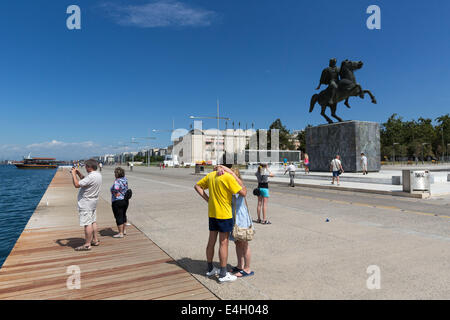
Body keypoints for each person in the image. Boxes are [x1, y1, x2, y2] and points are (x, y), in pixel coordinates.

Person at [194, 164, 247, 283]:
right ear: (228, 168)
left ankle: (210, 268)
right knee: (224, 243)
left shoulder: (211, 175)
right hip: (224, 214)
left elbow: (197, 186)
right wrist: (233, 175)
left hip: (212, 213)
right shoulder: (228, 177)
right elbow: (243, 192)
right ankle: (223, 274)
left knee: (211, 241)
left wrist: (208, 200)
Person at [71, 159, 102, 251]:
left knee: (87, 224)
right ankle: (95, 240)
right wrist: (78, 173)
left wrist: (73, 174)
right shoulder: (98, 175)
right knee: (93, 221)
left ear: (89, 167)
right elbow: (85, 180)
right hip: (93, 201)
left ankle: (87, 244)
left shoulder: (91, 177)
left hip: (86, 203)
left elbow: (77, 184)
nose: (85, 168)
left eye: (86, 166)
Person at [229, 167, 254, 278]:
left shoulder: (238, 186)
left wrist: (233, 177)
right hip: (234, 217)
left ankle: (247, 269)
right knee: (237, 242)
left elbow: (243, 192)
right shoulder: (230, 186)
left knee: (244, 243)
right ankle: (240, 265)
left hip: (242, 217)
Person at [111, 167, 129, 238]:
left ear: (117, 174)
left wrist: (115, 193)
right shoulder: (125, 179)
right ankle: (124, 230)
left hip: (118, 200)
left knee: (118, 216)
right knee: (123, 215)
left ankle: (120, 233)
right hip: (125, 200)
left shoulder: (117, 181)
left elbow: (116, 188)